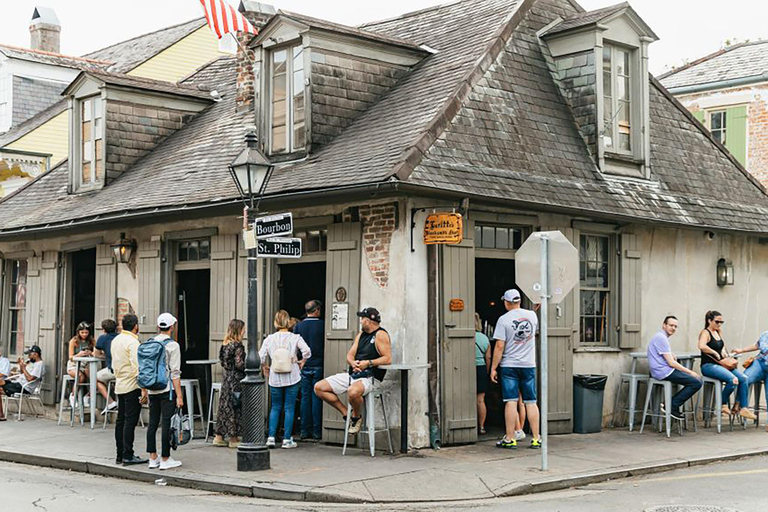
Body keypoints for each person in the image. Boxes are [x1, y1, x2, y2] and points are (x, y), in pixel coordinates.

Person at [315, 307, 392, 436]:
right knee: (319, 387)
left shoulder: (381, 335)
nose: (361, 321)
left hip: (371, 377)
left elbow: (388, 358)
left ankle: (356, 418)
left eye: (363, 318)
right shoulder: (361, 334)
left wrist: (368, 363)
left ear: (369, 321)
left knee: (353, 391)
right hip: (354, 374)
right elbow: (350, 355)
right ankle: (346, 413)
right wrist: (353, 363)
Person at [490, 290, 541, 449]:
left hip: (510, 366)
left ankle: (510, 438)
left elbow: (499, 346)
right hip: (528, 365)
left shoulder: (503, 320)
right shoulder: (532, 316)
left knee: (510, 401)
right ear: (519, 301)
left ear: (506, 302)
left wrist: (493, 368)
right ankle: (536, 438)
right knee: (531, 402)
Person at [260, 310, 311, 449]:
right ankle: (287, 439)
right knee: (289, 407)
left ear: (276, 322)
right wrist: (302, 361)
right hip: (292, 375)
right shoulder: (295, 338)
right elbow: (307, 351)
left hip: (275, 375)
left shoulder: (269, 339)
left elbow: (261, 356)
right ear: (288, 322)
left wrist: (265, 366)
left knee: (275, 407)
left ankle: (271, 437)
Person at [698, 310, 755, 420]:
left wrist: (724, 353)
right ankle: (723, 403)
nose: (719, 324)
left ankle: (743, 408)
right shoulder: (705, 332)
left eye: (721, 322)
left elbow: (722, 346)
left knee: (744, 378)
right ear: (709, 321)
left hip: (722, 364)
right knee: (733, 379)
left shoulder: (718, 332)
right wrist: (714, 352)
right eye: (717, 322)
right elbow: (701, 345)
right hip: (709, 366)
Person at [146, 313, 184, 470]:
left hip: (151, 388)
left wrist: (144, 391)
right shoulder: (173, 346)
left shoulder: (150, 343)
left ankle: (152, 458)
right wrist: (179, 396)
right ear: (172, 327)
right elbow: (175, 373)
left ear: (157, 327)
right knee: (166, 423)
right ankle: (165, 458)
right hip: (166, 389)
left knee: (153, 423)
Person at [647, 315, 702, 420]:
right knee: (696, 382)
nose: (673, 328)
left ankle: (672, 405)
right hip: (663, 372)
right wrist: (690, 372)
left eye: (675, 326)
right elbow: (671, 363)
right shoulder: (661, 338)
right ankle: (671, 405)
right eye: (671, 325)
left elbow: (664, 354)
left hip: (660, 370)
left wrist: (670, 353)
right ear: (664, 325)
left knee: (693, 380)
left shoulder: (660, 336)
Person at [111, 314, 147, 466]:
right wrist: (144, 388)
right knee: (130, 421)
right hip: (132, 384)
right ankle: (128, 454)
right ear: (136, 326)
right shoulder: (133, 342)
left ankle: (120, 454)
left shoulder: (116, 340)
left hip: (120, 383)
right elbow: (137, 367)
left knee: (121, 420)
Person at [213, 319, 246, 448]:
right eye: (243, 329)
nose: (245, 331)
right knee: (235, 407)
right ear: (238, 330)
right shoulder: (238, 346)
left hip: (226, 378)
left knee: (224, 407)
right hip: (236, 380)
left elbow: (222, 361)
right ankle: (233, 438)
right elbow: (239, 364)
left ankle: (218, 436)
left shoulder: (225, 344)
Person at [296, 300, 324, 441]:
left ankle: (304, 430)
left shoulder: (298, 326)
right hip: (318, 364)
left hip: (304, 365)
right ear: (317, 310)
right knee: (317, 398)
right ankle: (317, 431)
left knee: (305, 398)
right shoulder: (322, 325)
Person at [0, 345, 45, 421]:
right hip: (17, 383)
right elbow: (22, 373)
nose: (28, 356)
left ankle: (1, 415)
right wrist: (21, 366)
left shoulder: (39, 365)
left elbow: (30, 378)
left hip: (24, 387)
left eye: (30, 354)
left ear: (36, 354)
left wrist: (24, 368)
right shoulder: (31, 363)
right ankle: (1, 415)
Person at [734, 331, 768, 431]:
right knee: (745, 378)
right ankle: (738, 404)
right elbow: (757, 345)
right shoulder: (766, 334)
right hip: (760, 363)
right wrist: (742, 350)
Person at [67, 321, 95, 409]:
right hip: (73, 365)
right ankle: (73, 396)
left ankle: (87, 396)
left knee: (93, 376)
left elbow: (96, 353)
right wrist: (78, 355)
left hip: (85, 364)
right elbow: (70, 357)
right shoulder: (74, 341)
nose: (84, 334)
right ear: (78, 332)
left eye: (86, 332)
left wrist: (90, 352)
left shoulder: (91, 340)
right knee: (80, 377)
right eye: (82, 332)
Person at [94, 319, 119, 414]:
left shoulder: (102, 338)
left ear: (103, 329)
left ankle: (110, 402)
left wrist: (105, 355)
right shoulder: (120, 337)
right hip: (125, 372)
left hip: (113, 371)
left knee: (95, 377)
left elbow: (96, 354)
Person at [474, 313, 491, 435]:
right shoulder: (484, 338)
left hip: (466, 369)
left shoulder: (467, 337)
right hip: (481, 368)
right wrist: (488, 371)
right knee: (480, 400)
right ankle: (481, 426)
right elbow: (488, 357)